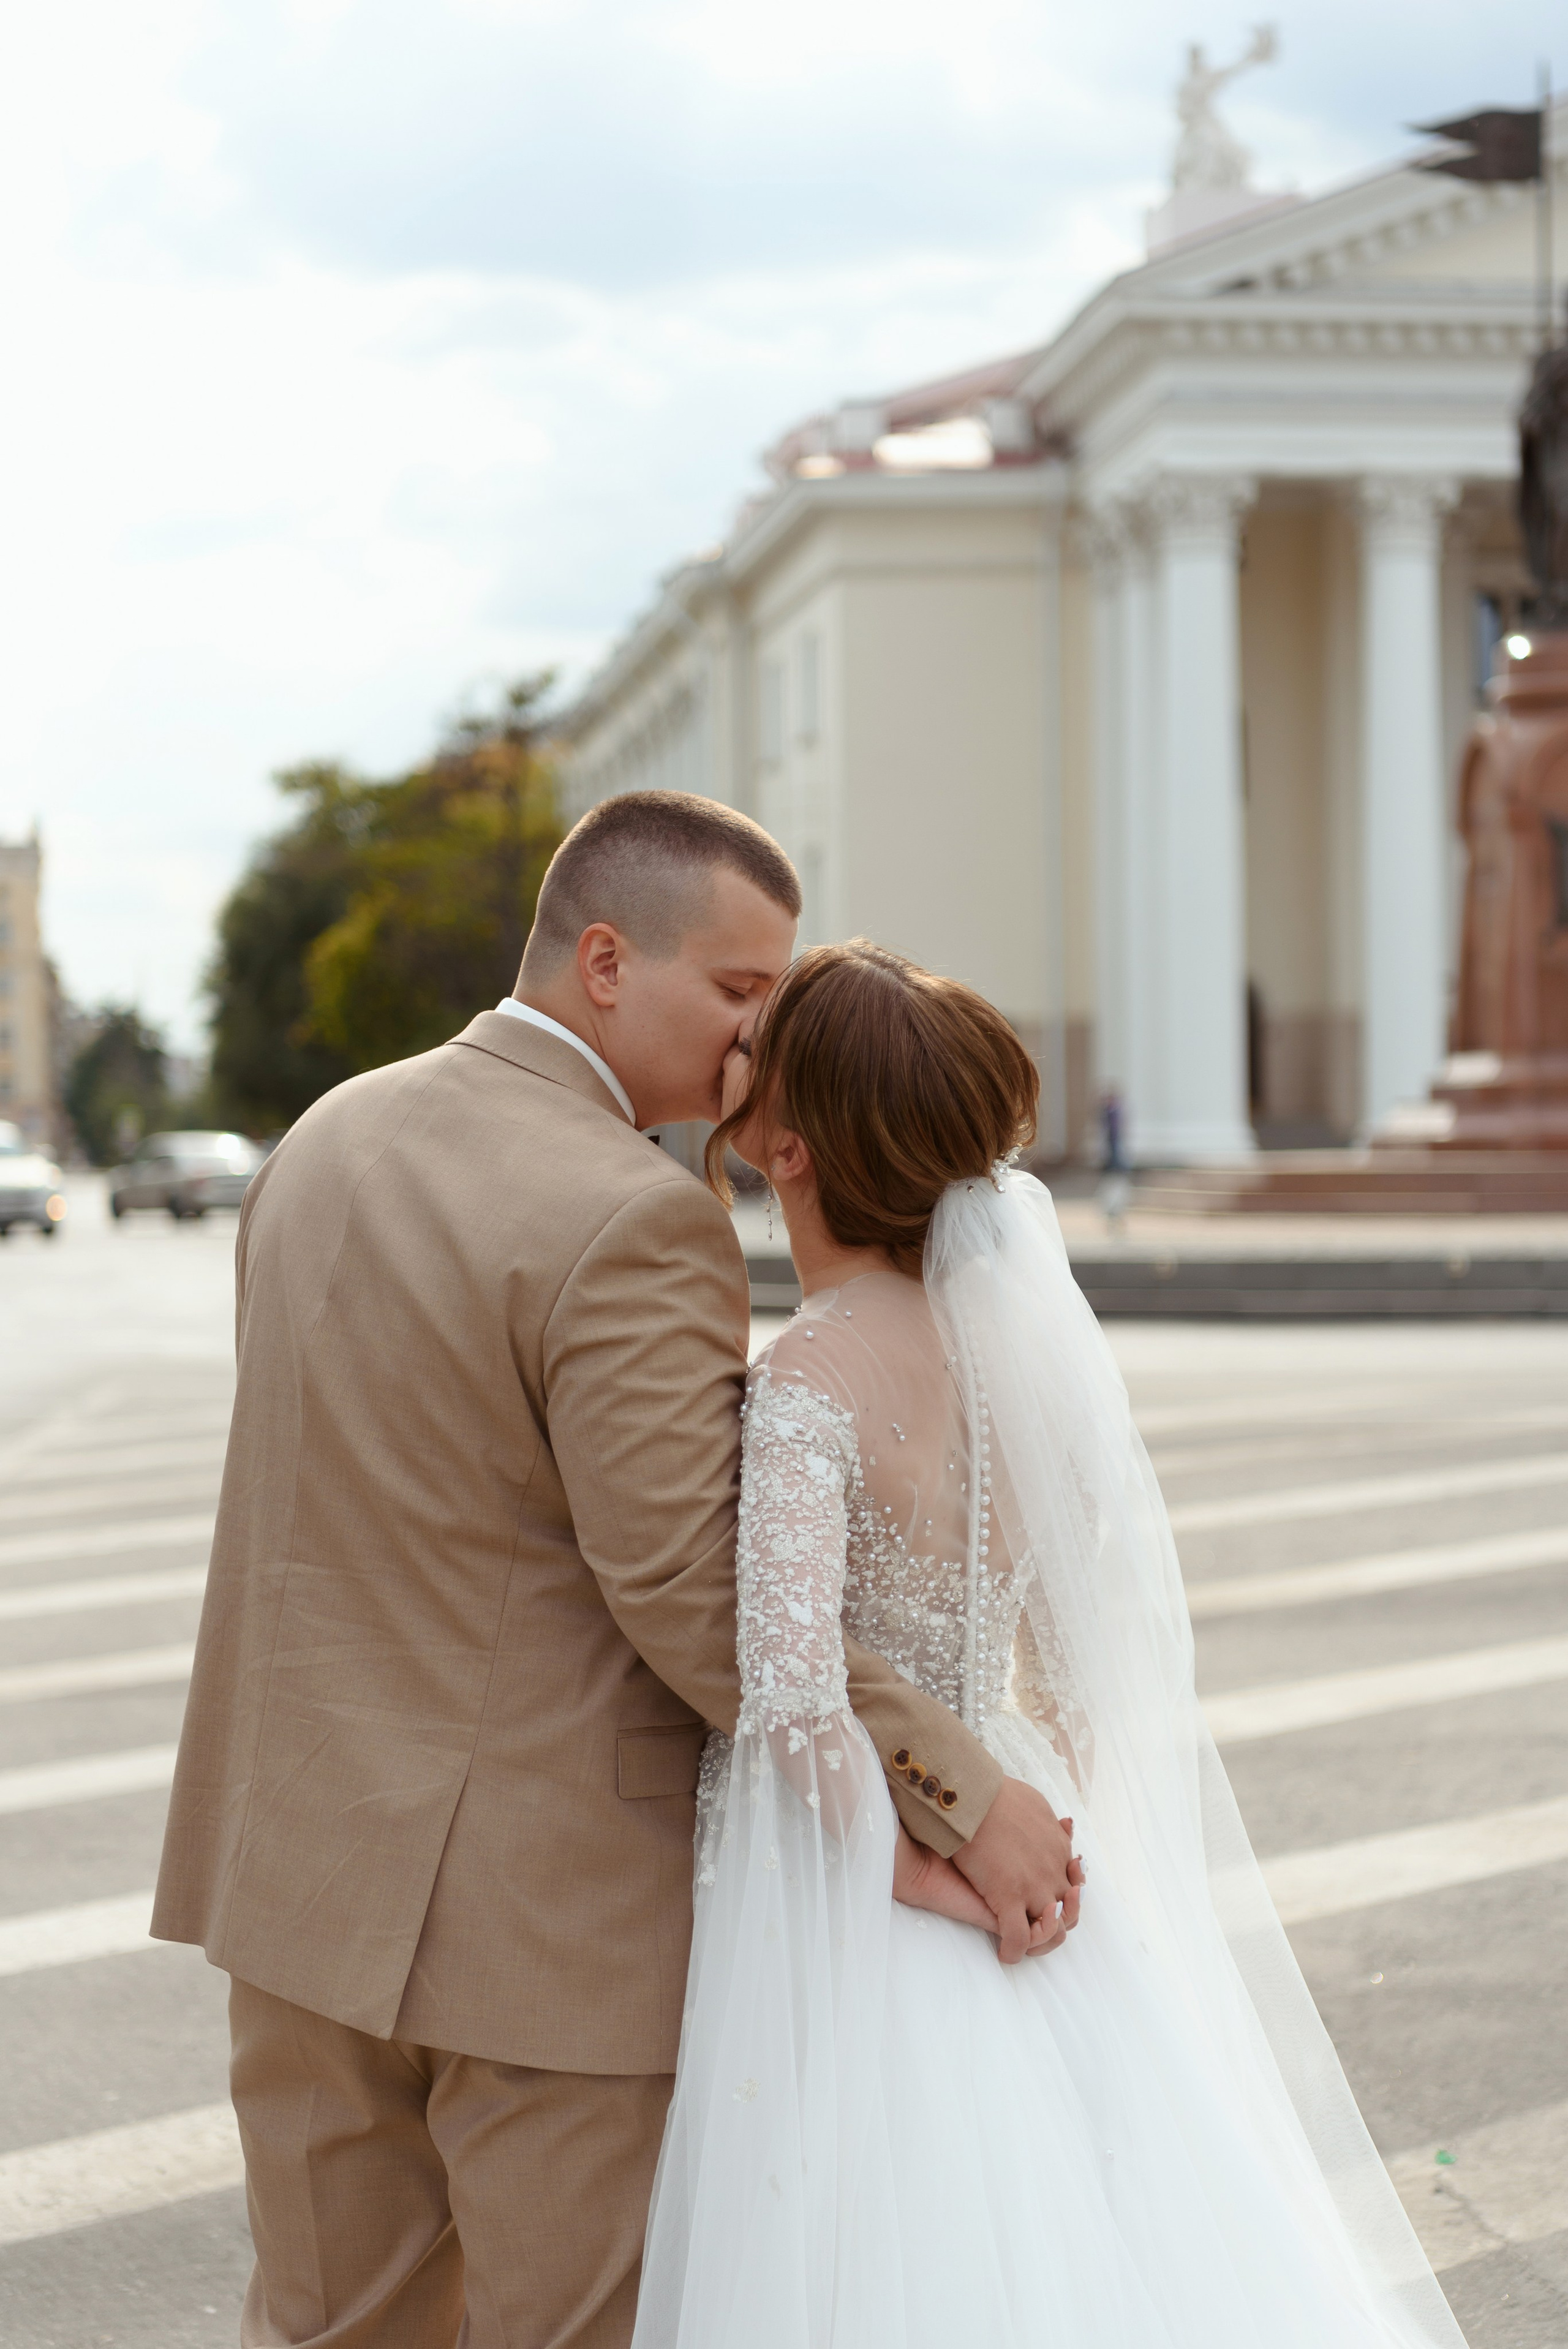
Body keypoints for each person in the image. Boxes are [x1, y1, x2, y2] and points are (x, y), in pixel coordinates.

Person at [152, 794, 1078, 2349]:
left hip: (296, 1878)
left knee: (326, 2330)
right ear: (601, 960)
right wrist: (957, 1789)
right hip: (545, 1938)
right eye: (735, 993)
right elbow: (696, 1583)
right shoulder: (634, 1214)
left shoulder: (324, 1136)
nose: (750, 1046)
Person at [633, 939, 1469, 2349]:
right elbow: (1075, 1673)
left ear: (785, 1148)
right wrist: (1043, 1843)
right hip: (1039, 1833)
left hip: (871, 1884)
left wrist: (919, 1874)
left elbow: (786, 1705)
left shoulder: (803, 1381)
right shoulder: (1013, 1357)